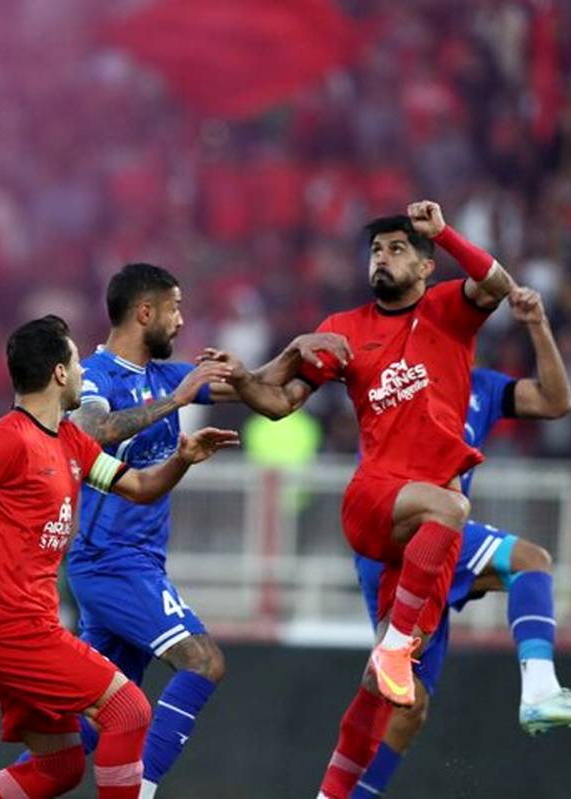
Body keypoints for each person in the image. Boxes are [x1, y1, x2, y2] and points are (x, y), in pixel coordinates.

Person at [208, 202, 521, 798]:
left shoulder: (449, 310)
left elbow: (498, 285)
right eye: (376, 250)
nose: (382, 257)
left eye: (397, 248)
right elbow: (280, 403)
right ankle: (399, 646)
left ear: (426, 265)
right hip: (376, 497)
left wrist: (446, 233)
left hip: (427, 534)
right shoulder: (344, 328)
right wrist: (249, 377)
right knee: (454, 510)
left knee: (396, 695)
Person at [0, 315, 239, 799]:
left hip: (22, 622)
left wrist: (181, 460)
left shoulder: (71, 443)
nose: (85, 371)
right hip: (8, 624)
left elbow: (139, 486)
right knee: (128, 710)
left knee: (60, 767)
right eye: (76, 361)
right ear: (59, 373)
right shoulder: (8, 439)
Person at [63, 262, 351, 798]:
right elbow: (91, 430)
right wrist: (176, 401)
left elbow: (261, 384)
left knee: (90, 724)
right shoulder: (96, 377)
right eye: (173, 308)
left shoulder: (165, 376)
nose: (180, 320)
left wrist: (296, 351)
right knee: (203, 661)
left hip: (135, 562)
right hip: (109, 560)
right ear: (144, 312)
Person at [349, 288, 571, 798]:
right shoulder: (401, 377)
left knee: (409, 705)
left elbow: (556, 401)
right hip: (401, 535)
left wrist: (538, 324)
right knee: (530, 560)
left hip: (445, 541)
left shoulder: (480, 387)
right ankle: (539, 691)